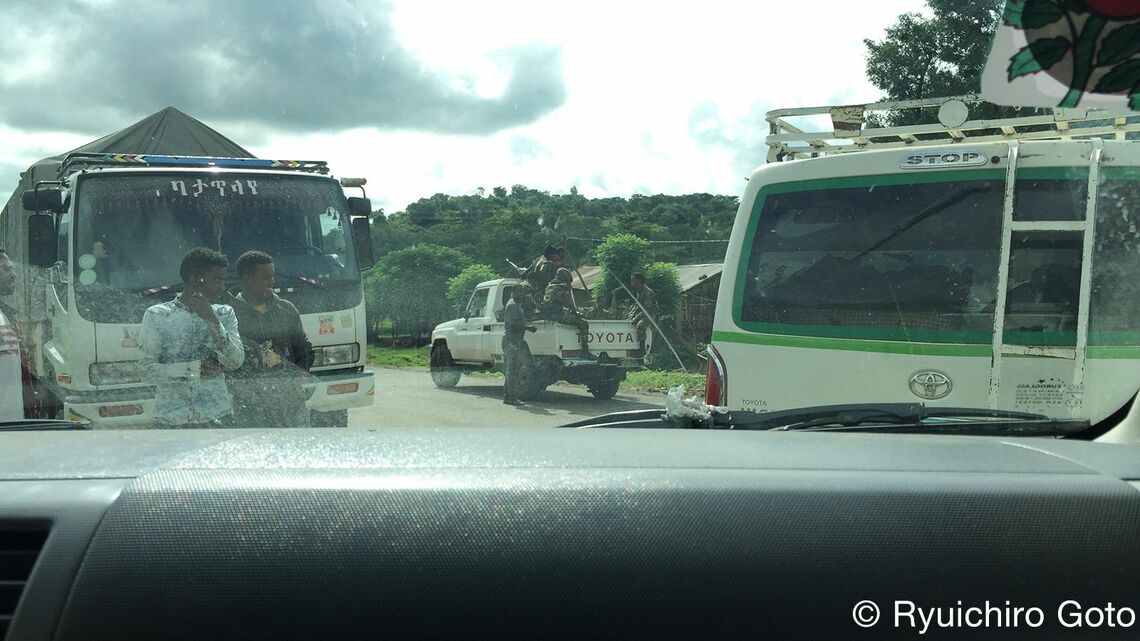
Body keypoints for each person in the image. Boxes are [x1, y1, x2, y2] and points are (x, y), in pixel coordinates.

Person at [139, 247, 244, 428]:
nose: (222, 286)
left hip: (217, 417)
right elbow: (146, 371)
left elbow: (236, 361)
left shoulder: (224, 314)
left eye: (222, 279)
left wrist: (212, 320)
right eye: (216, 279)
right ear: (197, 279)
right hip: (171, 420)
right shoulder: (158, 315)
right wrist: (192, 369)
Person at [227, 251, 314, 427]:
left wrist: (300, 374)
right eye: (266, 278)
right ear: (246, 279)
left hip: (290, 404)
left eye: (273, 276)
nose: (272, 282)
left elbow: (303, 348)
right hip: (249, 407)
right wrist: (245, 392)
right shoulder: (228, 314)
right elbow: (225, 363)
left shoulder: (286, 309)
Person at [0, 249, 43, 418]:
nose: (13, 275)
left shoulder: (8, 317)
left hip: (14, 429)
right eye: (5, 269)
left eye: (13, 269)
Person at [542, 267, 593, 358]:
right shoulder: (563, 286)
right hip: (557, 314)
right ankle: (585, 350)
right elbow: (568, 302)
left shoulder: (549, 286)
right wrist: (575, 312)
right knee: (584, 324)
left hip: (548, 314)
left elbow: (558, 301)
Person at [502, 285, 537, 406]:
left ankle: (508, 397)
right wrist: (528, 327)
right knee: (513, 371)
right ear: (513, 292)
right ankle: (512, 398)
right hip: (512, 341)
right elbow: (512, 324)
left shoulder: (516, 305)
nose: (522, 294)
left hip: (513, 340)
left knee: (510, 370)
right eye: (519, 292)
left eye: (523, 292)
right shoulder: (512, 305)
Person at [626, 272, 658, 356]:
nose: (631, 283)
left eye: (633, 280)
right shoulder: (639, 292)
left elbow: (647, 309)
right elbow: (636, 307)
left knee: (640, 325)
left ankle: (641, 350)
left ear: (639, 281)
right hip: (643, 314)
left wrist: (635, 319)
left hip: (650, 315)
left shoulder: (647, 292)